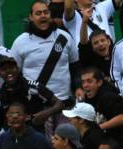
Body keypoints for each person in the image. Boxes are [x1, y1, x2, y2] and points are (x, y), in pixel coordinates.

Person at [12, 1, 79, 133]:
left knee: (66, 147)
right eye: (38, 13)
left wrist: (79, 87)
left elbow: (75, 66)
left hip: (64, 105)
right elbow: (15, 75)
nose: (43, 16)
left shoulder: (64, 37)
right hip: (35, 107)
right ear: (31, 17)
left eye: (46, 12)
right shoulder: (20, 42)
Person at [80, 67, 123, 149]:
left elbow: (122, 118)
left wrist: (99, 128)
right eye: (83, 82)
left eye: (89, 81)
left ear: (99, 82)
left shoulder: (108, 96)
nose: (85, 85)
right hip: (110, 145)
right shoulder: (88, 99)